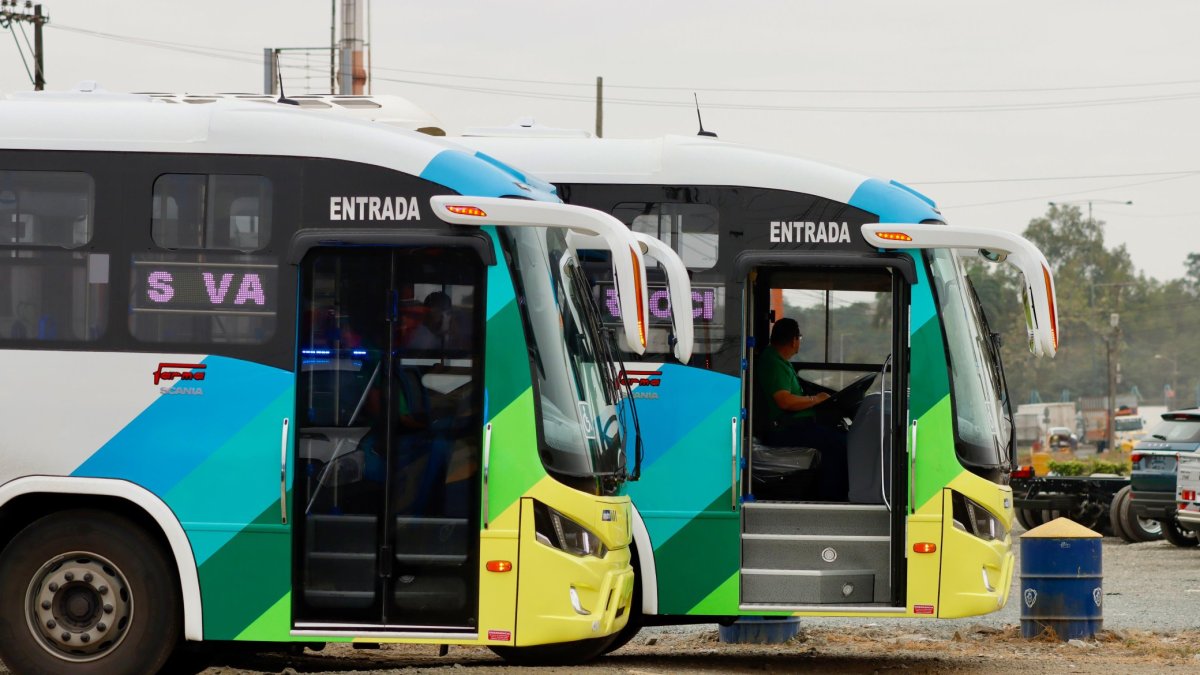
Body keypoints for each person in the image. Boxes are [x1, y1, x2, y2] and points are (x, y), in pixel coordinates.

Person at [755, 318, 849, 501]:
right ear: (793, 340)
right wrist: (815, 400)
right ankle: (832, 499)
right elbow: (785, 401)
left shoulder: (779, 361)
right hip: (784, 429)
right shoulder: (773, 363)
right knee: (839, 444)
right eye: (799, 338)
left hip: (794, 425)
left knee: (837, 436)